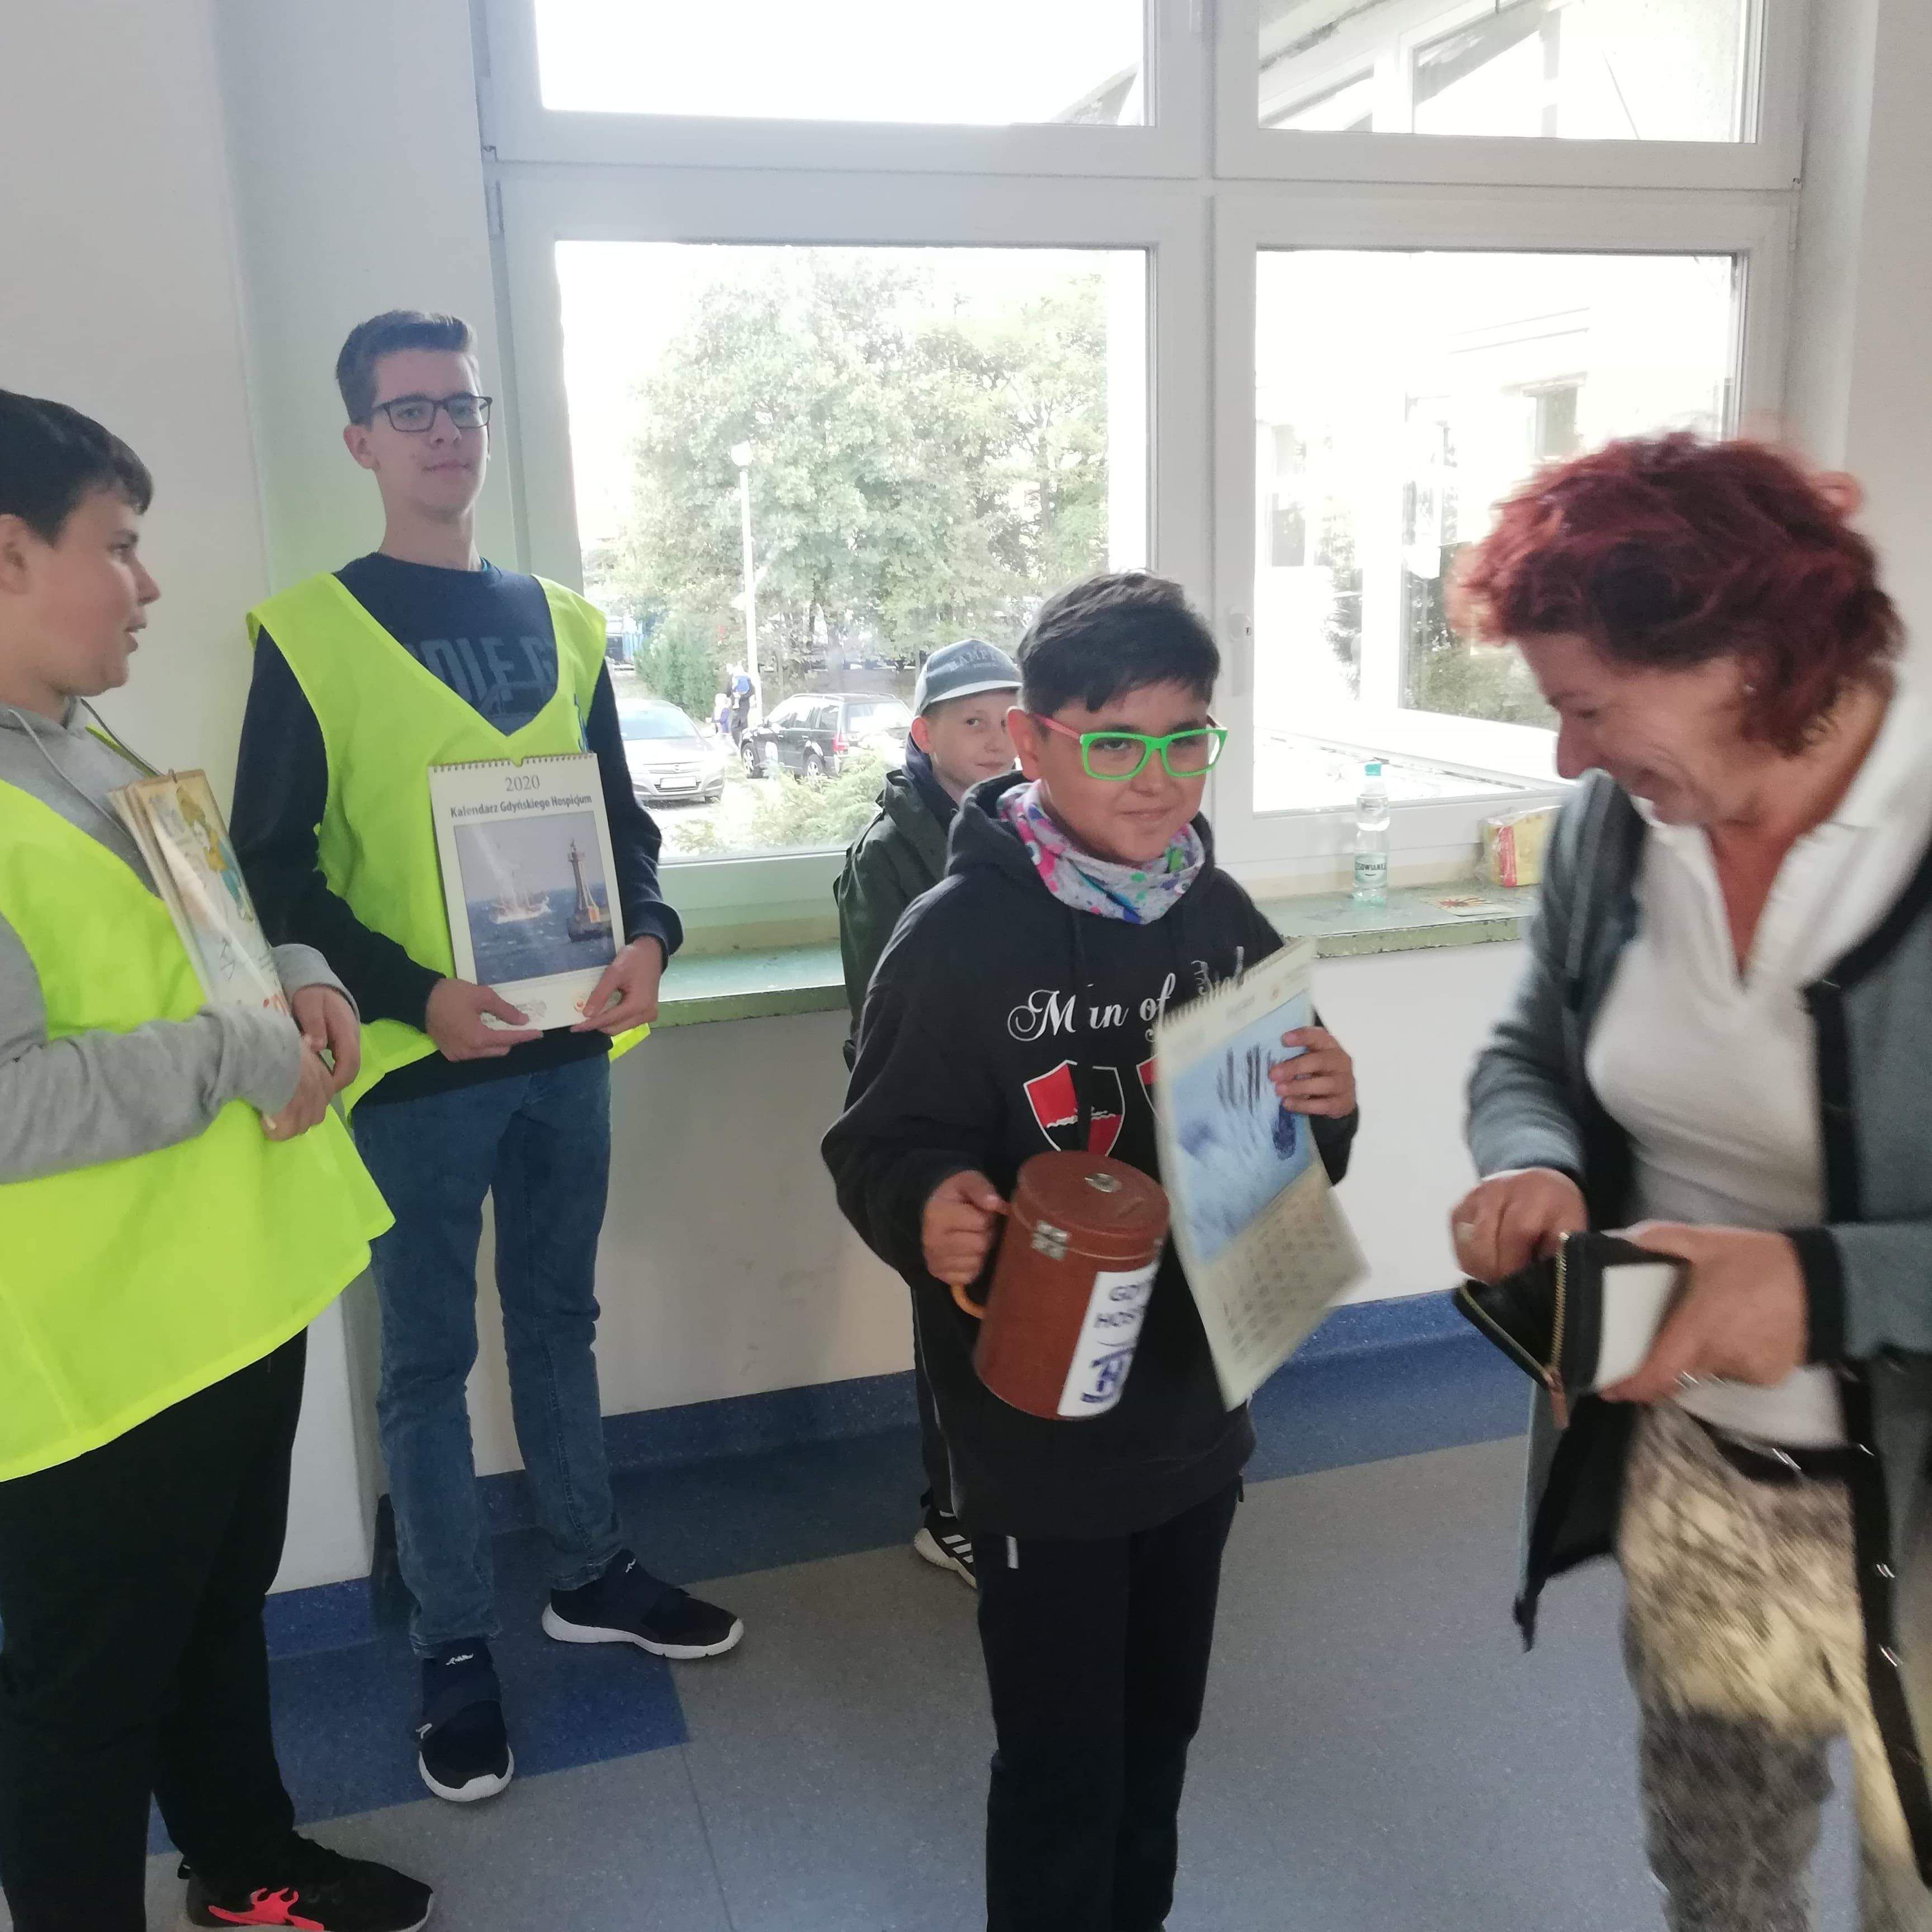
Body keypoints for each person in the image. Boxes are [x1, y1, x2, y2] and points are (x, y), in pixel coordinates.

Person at [230, 311, 742, 1811]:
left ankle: (589, 1570)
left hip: (569, 1045)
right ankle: (452, 1641)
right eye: (411, 410)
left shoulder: (566, 623)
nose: (445, 430)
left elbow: (624, 824)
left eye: (463, 404)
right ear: (361, 440)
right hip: (416, 1065)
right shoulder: (305, 633)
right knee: (425, 1365)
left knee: (561, 1317)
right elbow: (272, 866)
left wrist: (651, 935)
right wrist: (419, 993)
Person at [823, 572, 1359, 1932]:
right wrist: (925, 1203)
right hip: (1039, 1437)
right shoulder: (954, 941)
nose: (1156, 775)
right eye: (1114, 741)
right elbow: (877, 1145)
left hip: (1195, 1414)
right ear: (1031, 741)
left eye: (1186, 739)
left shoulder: (1219, 913)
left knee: (1159, 1737)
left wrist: (1328, 1107)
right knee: (1063, 1764)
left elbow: (1283, 1150)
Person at [1452, 433, 1932, 1931]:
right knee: (1719, 1881)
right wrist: (1532, 1160)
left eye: (1587, 708)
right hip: (1698, 1482)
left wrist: (1820, 1284)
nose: (1567, 758)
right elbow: (1527, 1051)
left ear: (1753, 663)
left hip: (1912, 1508)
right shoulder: (1622, 829)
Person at [0, 391, 432, 1931]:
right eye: (117, 546)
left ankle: (247, 1869)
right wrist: (244, 1053)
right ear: (6, 555)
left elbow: (208, 927)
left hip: (223, 1294)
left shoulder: (73, 741)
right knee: (81, 1710)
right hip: (93, 1357)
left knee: (213, 1618)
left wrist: (297, 969)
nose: (149, 583)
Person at [835, 636, 1022, 1585]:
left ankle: (1025, 1492)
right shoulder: (889, 853)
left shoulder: (1033, 822)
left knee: (1021, 1302)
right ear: (924, 735)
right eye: (971, 721)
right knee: (952, 1316)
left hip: (1026, 1108)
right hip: (938, 1121)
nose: (996, 739)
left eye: (1008, 719)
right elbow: (885, 1014)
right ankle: (949, 1511)